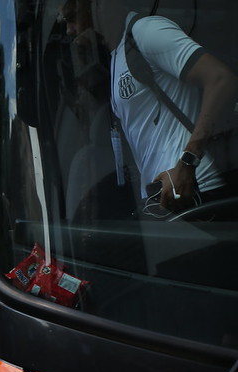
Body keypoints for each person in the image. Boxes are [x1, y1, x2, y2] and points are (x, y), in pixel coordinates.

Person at [92, 0, 238, 213]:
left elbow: (221, 79)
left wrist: (188, 162)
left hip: (195, 187)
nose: (69, 29)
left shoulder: (146, 31)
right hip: (164, 198)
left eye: (71, 17)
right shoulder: (115, 56)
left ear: (100, 5)